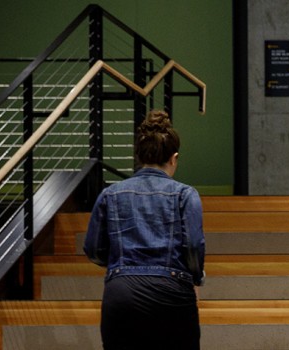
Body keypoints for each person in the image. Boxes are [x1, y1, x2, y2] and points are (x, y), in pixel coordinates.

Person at [84, 110, 205, 350]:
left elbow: (93, 249)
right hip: (171, 293)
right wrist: (195, 277)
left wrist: (122, 265)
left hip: (121, 294)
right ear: (174, 158)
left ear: (139, 157)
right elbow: (192, 246)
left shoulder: (111, 194)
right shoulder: (185, 194)